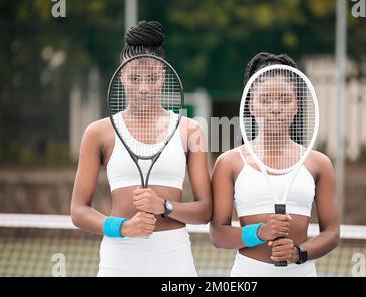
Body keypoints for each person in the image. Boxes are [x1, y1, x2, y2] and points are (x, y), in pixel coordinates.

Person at [70, 21, 212, 277]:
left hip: (174, 257)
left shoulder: (190, 131)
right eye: (134, 78)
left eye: (152, 78)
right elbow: (78, 211)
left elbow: (205, 211)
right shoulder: (98, 132)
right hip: (119, 258)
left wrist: (165, 206)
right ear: (121, 76)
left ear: (164, 77)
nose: (143, 87)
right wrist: (122, 227)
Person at [210, 52, 340, 277]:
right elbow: (218, 235)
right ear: (251, 105)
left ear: (296, 105)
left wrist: (300, 253)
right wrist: (260, 232)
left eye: (284, 99)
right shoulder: (229, 163)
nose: (275, 108)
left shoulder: (319, 163)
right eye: (265, 100)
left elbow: (332, 232)